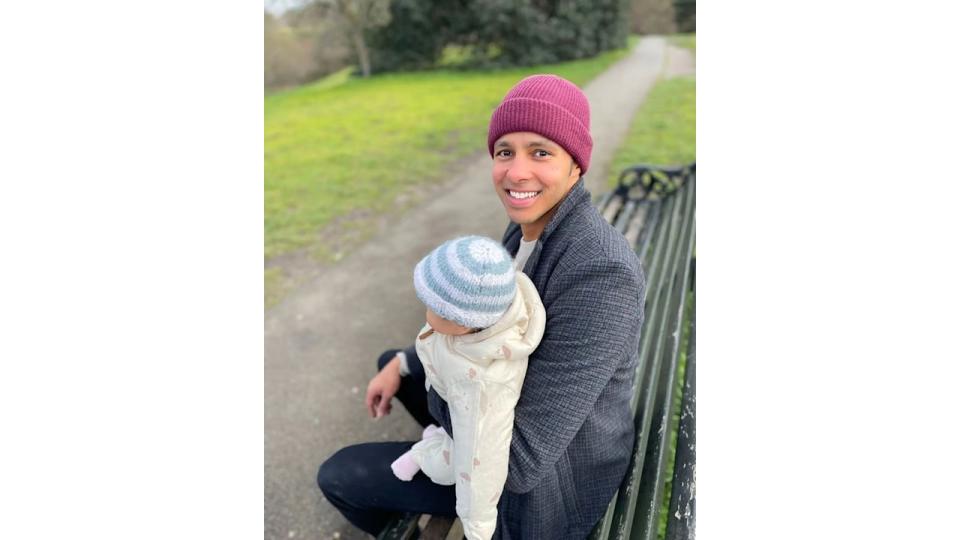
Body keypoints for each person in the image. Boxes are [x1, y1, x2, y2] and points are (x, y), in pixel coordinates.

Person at [318, 74, 645, 539]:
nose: (516, 173)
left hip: (546, 489)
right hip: (509, 413)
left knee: (342, 475)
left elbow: (519, 464)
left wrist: (437, 379)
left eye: (541, 152)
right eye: (505, 152)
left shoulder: (601, 274)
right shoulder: (528, 228)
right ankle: (429, 441)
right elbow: (480, 320)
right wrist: (405, 362)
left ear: (577, 165)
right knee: (395, 361)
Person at [390, 235, 546, 540]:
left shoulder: (482, 385)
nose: (425, 310)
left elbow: (481, 456)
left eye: (433, 306)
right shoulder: (480, 317)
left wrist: (477, 527)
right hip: (450, 401)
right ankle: (433, 440)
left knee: (447, 463)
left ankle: (424, 454)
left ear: (463, 323)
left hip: (468, 435)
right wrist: (402, 362)